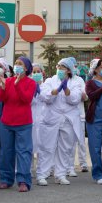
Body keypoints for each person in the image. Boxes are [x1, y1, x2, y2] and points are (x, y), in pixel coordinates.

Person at [36, 58, 82, 186]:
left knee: (65, 148)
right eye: (58, 66)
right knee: (47, 147)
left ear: (69, 70)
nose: (59, 69)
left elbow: (75, 99)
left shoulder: (76, 82)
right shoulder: (50, 81)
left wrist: (66, 90)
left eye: (62, 67)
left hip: (67, 119)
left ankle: (60, 174)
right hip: (51, 118)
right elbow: (45, 96)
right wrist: (56, 91)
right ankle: (42, 175)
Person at [0, 56, 36, 192]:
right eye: (16, 63)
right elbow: (1, 99)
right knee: (6, 152)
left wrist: (18, 85)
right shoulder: (8, 81)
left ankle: (23, 181)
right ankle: (6, 179)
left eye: (20, 64)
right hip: (6, 122)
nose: (17, 66)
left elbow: (26, 99)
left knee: (23, 152)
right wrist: (2, 88)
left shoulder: (31, 83)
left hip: (23, 123)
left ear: (26, 68)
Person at [67, 57, 89, 176]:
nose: (74, 68)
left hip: (80, 115)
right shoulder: (63, 80)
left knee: (80, 140)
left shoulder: (80, 80)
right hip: (67, 116)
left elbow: (84, 97)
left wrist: (78, 95)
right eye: (72, 66)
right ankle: (69, 166)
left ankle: (83, 164)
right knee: (69, 142)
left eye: (75, 66)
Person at [30, 63, 45, 176]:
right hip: (30, 118)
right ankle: (29, 169)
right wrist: (33, 94)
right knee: (29, 145)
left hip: (43, 118)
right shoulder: (28, 85)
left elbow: (49, 99)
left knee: (42, 146)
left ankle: (41, 171)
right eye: (34, 72)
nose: (36, 74)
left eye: (38, 72)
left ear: (42, 73)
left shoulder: (46, 86)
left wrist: (40, 93)